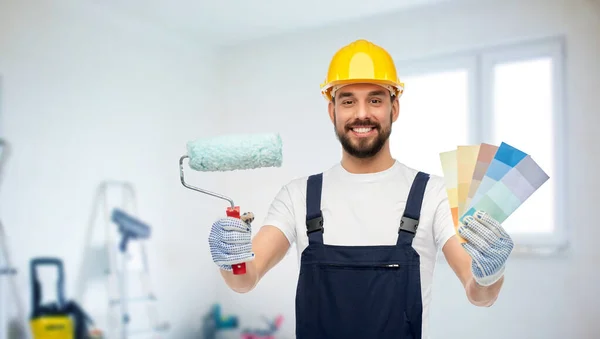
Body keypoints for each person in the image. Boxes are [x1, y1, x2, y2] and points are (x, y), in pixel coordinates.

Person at [208, 39, 514, 339]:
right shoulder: (297, 196)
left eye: (376, 99)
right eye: (348, 100)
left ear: (395, 108)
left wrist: (490, 272)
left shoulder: (433, 194)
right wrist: (229, 257)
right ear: (332, 111)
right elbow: (245, 280)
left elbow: (479, 294)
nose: (361, 113)